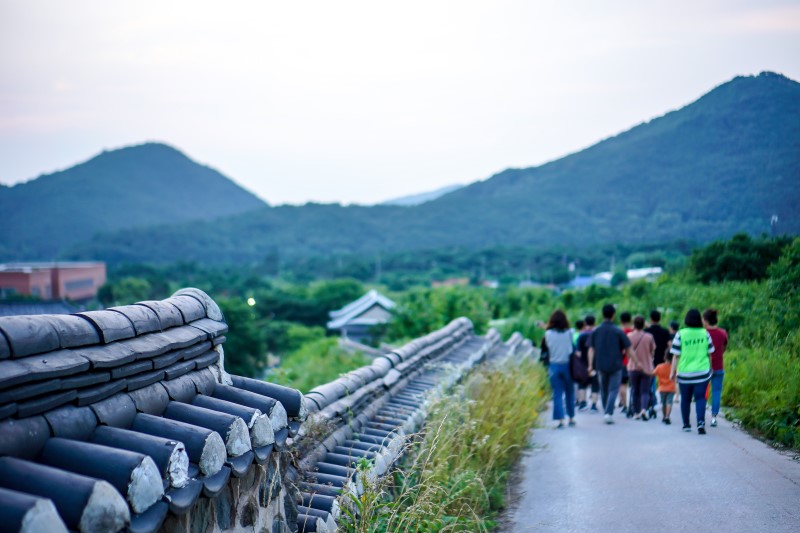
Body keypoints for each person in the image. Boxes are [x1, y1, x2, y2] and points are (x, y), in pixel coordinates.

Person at [588, 304, 635, 424]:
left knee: (603, 389)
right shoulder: (618, 330)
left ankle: (606, 411)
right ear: (613, 315)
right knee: (613, 389)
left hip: (600, 365)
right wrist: (636, 361)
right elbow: (629, 348)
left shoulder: (596, 330)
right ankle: (608, 412)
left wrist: (590, 365)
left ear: (603, 314)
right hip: (616, 365)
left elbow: (591, 349)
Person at [670, 309, 714, 434]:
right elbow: (710, 353)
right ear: (700, 319)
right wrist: (710, 368)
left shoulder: (681, 334)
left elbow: (676, 355)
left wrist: (672, 372)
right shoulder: (705, 333)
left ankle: (686, 424)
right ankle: (700, 423)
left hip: (684, 373)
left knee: (685, 399)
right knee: (700, 398)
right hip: (702, 372)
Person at [543, 309, 576, 428]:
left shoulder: (548, 334)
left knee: (557, 393)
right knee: (570, 392)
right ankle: (571, 418)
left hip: (554, 365)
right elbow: (571, 348)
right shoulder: (569, 332)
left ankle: (560, 420)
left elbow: (547, 347)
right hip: (567, 365)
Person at [627, 315, 655, 420]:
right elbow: (652, 351)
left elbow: (627, 352)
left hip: (633, 367)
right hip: (647, 367)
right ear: (644, 324)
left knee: (635, 390)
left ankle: (636, 412)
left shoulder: (629, 336)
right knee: (645, 391)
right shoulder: (649, 337)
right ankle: (644, 410)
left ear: (634, 324)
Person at [704, 308, 728, 427]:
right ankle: (714, 418)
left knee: (703, 390)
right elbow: (724, 348)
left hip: (704, 367)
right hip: (718, 366)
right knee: (716, 392)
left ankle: (701, 414)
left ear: (706, 320)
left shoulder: (703, 333)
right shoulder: (722, 333)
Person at [645, 310, 671, 418]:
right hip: (662, 361)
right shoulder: (665, 331)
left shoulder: (646, 331)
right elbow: (670, 346)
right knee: (662, 383)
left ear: (650, 319)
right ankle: (660, 401)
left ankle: (652, 402)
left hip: (649, 361)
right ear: (660, 318)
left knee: (650, 382)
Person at [576, 315, 599, 413]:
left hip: (583, 363)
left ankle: (582, 403)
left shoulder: (581, 335)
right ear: (594, 323)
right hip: (596, 363)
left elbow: (578, 352)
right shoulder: (597, 334)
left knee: (582, 384)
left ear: (585, 323)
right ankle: (593, 405)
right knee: (595, 384)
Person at [653, 352, 676, 424]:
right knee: (669, 402)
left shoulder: (659, 366)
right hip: (671, 388)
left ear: (664, 357)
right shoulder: (674, 368)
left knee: (663, 403)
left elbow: (653, 373)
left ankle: (664, 416)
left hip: (662, 388)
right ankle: (667, 416)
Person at [618, 311, 633, 415]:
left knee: (622, 384)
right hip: (633, 361)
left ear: (620, 321)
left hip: (622, 361)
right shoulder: (633, 331)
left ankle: (624, 404)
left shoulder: (619, 332)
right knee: (633, 385)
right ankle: (633, 404)